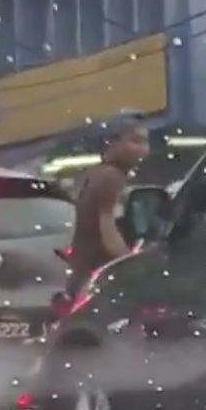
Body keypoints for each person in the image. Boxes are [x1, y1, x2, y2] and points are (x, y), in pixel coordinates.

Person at [65, 114, 152, 299]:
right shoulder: (111, 177)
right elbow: (108, 227)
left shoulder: (95, 174)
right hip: (100, 275)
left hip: (84, 272)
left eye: (145, 142)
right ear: (111, 142)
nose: (143, 149)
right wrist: (130, 263)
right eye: (135, 141)